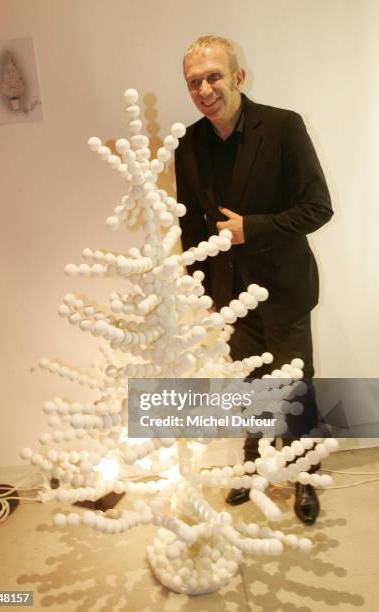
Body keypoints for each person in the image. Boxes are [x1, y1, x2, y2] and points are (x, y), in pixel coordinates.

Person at [175, 35, 333, 524]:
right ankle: (252, 463)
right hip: (230, 296)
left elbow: (318, 208)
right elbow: (190, 227)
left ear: (238, 77)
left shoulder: (284, 127)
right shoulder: (189, 143)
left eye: (213, 76)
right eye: (194, 81)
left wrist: (253, 228)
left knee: (293, 386)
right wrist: (201, 290)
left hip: (284, 289)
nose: (204, 89)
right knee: (249, 386)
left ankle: (304, 475)